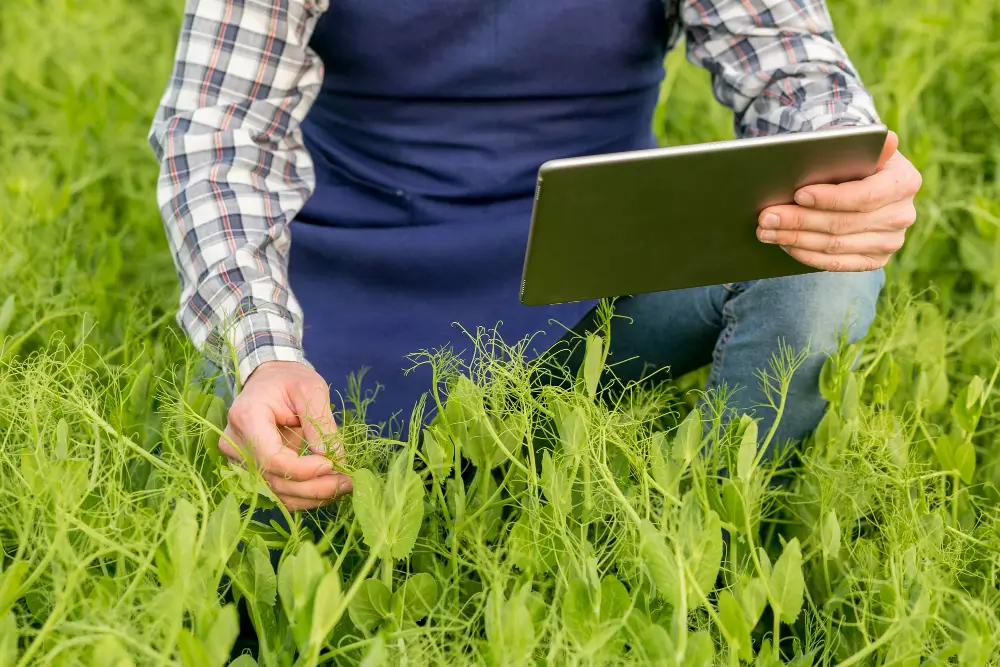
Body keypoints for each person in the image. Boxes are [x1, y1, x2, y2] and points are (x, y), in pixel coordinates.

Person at [149, 0, 921, 512]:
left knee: (828, 255)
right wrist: (263, 353)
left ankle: (712, 546)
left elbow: (798, 73)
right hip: (339, 310)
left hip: (600, 291)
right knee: (278, 506)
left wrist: (852, 170)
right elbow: (218, 137)